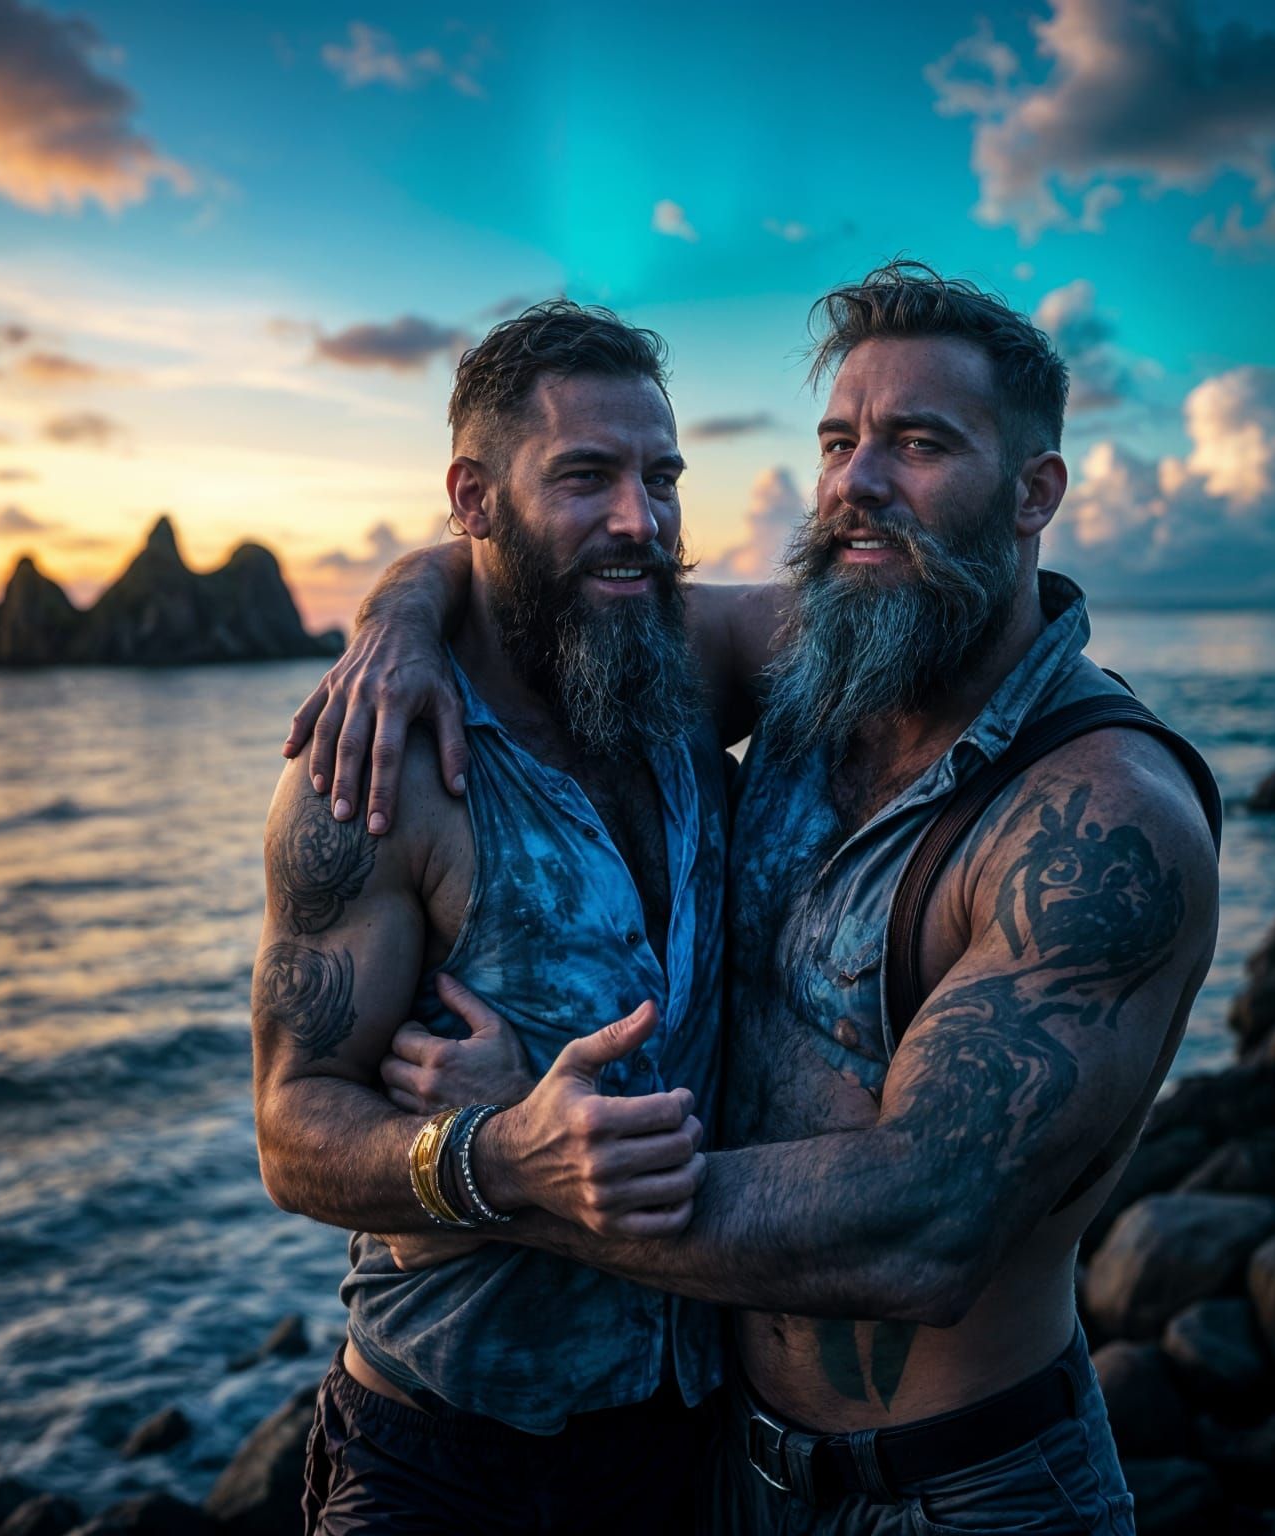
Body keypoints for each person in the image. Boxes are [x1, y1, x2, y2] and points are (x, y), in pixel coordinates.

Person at [289, 261, 1222, 1534]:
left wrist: (520, 1166)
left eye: (919, 444)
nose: (857, 484)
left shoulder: (1104, 823)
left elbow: (921, 1232)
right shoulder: (819, 661)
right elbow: (538, 576)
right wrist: (399, 617)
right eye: (839, 443)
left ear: (1034, 492)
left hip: (964, 1490)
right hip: (720, 1474)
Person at [252, 300, 730, 1534]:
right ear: (474, 497)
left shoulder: (684, 668)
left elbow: (923, 632)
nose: (640, 520)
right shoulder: (378, 768)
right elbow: (292, 1128)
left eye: (661, 478)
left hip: (700, 1441)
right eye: (585, 476)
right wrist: (500, 1155)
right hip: (445, 1457)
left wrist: (398, 604)